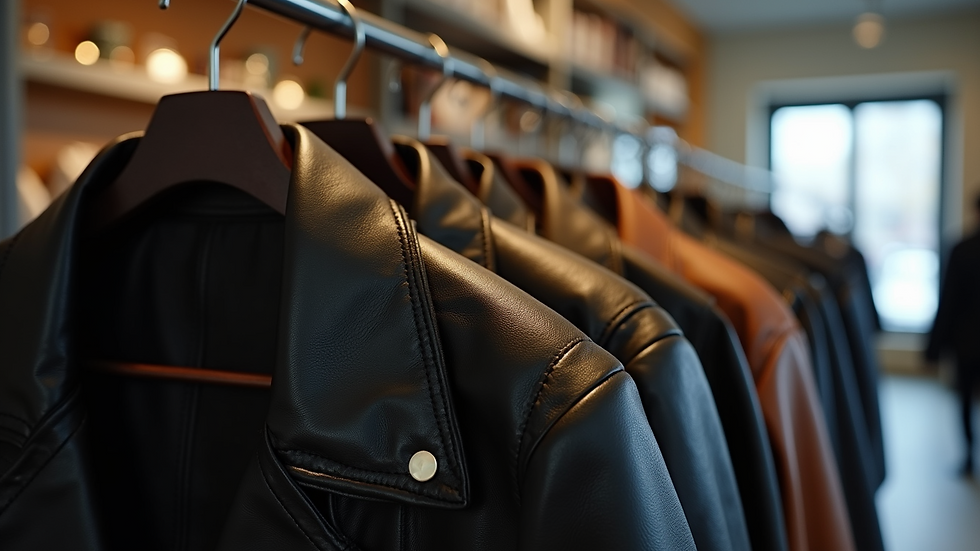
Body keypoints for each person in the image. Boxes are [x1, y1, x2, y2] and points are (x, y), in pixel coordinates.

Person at [926, 192, 980, 476]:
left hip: (968, 341)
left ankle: (969, 454)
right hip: (968, 339)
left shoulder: (962, 249)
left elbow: (949, 300)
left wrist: (933, 347)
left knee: (964, 399)